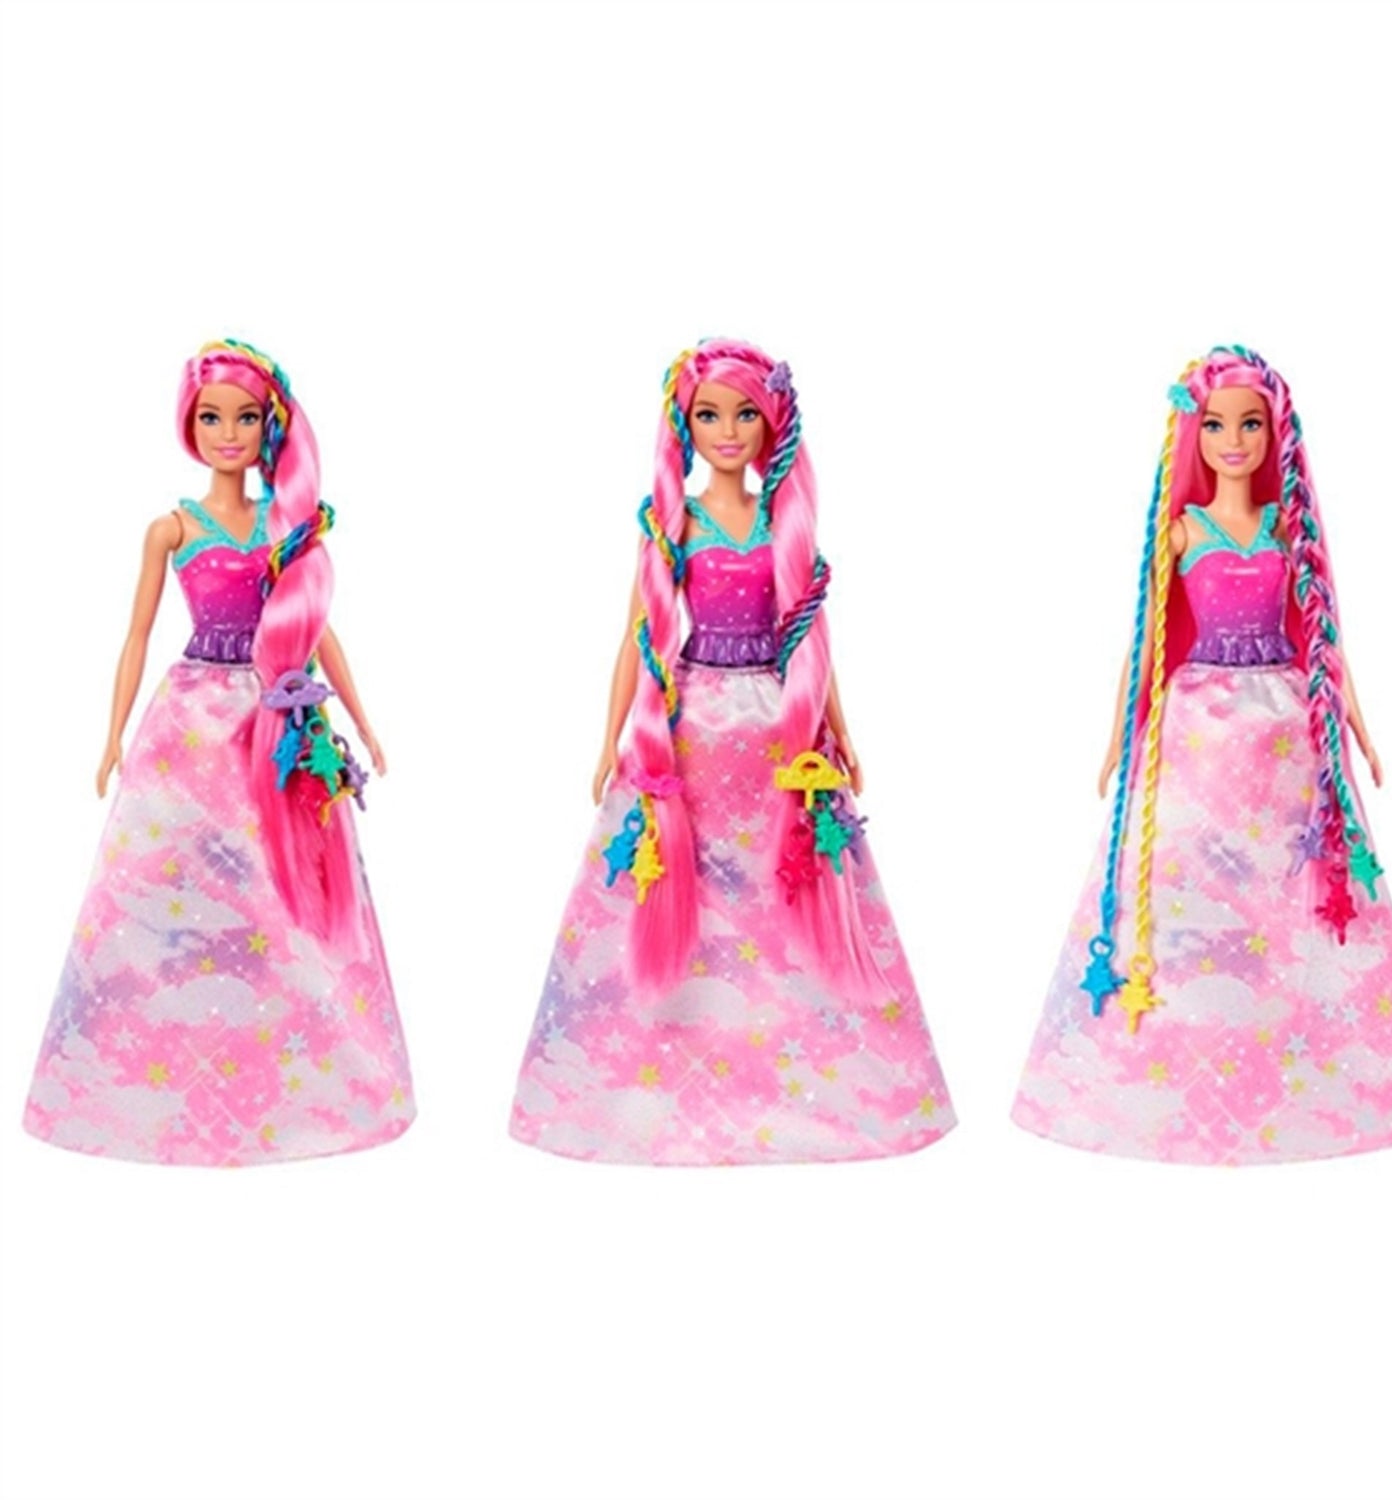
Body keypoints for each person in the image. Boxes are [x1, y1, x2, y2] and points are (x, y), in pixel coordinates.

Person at [510, 339, 953, 1164]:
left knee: (787, 894)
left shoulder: (784, 521)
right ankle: (651, 1073)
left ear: (771, 423)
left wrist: (841, 727)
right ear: (684, 424)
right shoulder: (672, 522)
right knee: (685, 892)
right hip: (690, 732)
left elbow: (808, 634)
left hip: (777, 729)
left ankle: (804, 1073)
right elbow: (638, 634)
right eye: (709, 414)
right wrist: (610, 738)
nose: (727, 430)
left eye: (745, 413)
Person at [1012, 345, 1392, 1164]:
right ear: (1194, 434)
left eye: (1251, 424)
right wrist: (1117, 733)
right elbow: (1146, 641)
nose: (1234, 441)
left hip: (1280, 722)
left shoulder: (1288, 529)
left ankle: (1309, 1051)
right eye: (1216, 425)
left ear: (1274, 432)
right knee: (1187, 873)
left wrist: (1352, 716)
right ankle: (1172, 1053)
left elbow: (1322, 632)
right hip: (1200, 726)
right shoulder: (1181, 530)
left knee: (1287, 882)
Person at [23, 339, 415, 1165]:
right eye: (211, 418)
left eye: (244, 418)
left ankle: (292, 1064)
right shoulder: (171, 529)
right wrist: (112, 734)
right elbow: (135, 634)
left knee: (282, 892)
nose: (228, 434)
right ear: (189, 425)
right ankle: (152, 1056)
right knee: (160, 881)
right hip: (193, 721)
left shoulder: (284, 526)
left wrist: (363, 718)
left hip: (275, 717)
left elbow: (320, 632)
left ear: (269, 427)